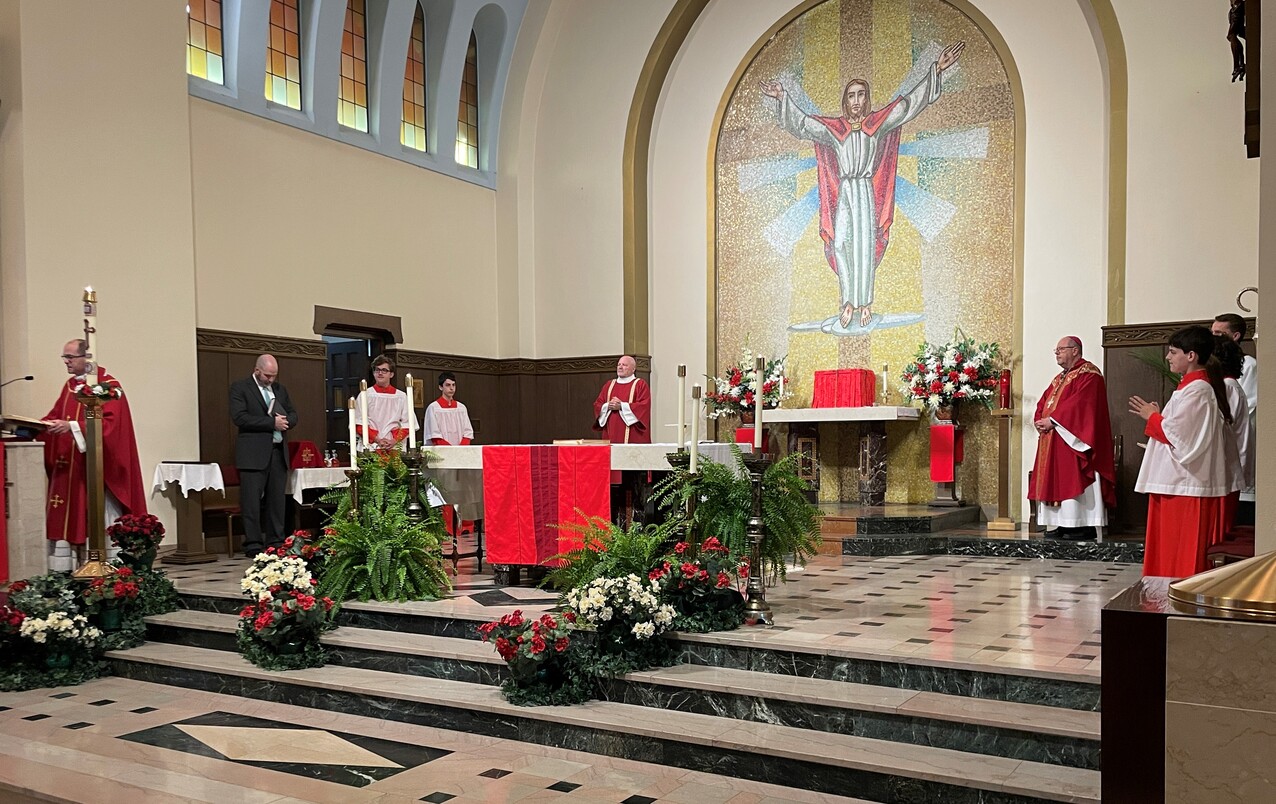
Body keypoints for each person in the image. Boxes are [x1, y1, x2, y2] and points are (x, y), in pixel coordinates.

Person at [760, 42, 964, 329]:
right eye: (851, 96)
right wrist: (783, 98)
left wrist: (937, 69)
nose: (856, 101)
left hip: (866, 191)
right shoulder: (835, 129)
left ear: (867, 100)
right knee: (842, 244)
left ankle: (865, 304)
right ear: (846, 101)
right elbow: (804, 125)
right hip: (845, 190)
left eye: (861, 95)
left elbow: (907, 106)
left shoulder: (877, 123)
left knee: (864, 247)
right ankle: (847, 302)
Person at [1130, 326, 1237, 578]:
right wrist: (1159, 416)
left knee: (1180, 551)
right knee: (1167, 548)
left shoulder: (1198, 390)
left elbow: (1182, 438)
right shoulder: (1188, 388)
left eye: (1173, 352)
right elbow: (1180, 428)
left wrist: (1153, 417)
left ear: (1191, 356)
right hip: (1174, 483)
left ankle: (1173, 595)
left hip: (1185, 483)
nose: (1168, 357)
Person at [39, 339, 147, 547]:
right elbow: (55, 415)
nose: (66, 362)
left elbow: (111, 426)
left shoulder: (108, 387)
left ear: (87, 357)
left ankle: (105, 563)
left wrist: (72, 427)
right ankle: (67, 568)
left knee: (97, 518)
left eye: (70, 357)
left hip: (96, 469)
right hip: (70, 466)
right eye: (65, 357)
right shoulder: (70, 386)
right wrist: (35, 427)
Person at [1028, 336, 1116, 541]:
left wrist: (1054, 421)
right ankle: (1061, 524)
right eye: (1056, 349)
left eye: (1061, 349)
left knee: (1073, 478)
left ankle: (1081, 526)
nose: (1057, 353)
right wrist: (1040, 419)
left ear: (1075, 350)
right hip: (1054, 439)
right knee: (1056, 480)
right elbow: (1045, 400)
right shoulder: (1059, 378)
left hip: (1074, 440)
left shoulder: (1089, 375)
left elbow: (1081, 405)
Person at [229, 354, 298, 556]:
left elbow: (293, 413)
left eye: (273, 376)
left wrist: (287, 421)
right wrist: (271, 424)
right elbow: (240, 417)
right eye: (267, 375)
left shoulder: (279, 389)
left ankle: (276, 542)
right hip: (252, 454)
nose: (270, 380)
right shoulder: (240, 388)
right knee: (251, 502)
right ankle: (253, 544)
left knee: (277, 501)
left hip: (277, 452)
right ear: (257, 370)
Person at [1211, 312, 1256, 519]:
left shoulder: (1247, 366)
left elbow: (1247, 404)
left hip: (1236, 443)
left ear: (1236, 335)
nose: (1214, 338)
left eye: (1219, 333)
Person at [355, 354, 417, 449]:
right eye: (377, 370)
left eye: (384, 370)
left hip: (394, 446)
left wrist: (394, 441)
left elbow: (408, 424)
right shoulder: (365, 395)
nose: (380, 373)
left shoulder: (401, 396)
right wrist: (378, 440)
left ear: (391, 374)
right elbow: (359, 424)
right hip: (372, 446)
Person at [593, 355, 651, 445]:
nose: (620, 367)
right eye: (619, 364)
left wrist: (621, 406)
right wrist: (607, 406)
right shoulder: (609, 385)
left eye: (624, 365)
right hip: (611, 432)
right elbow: (598, 404)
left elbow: (643, 407)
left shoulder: (640, 385)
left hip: (633, 434)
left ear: (633, 369)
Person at [423, 371, 473, 446]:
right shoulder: (433, 408)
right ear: (440, 387)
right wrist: (450, 450)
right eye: (448, 385)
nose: (451, 388)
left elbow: (467, 432)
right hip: (442, 450)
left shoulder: (461, 408)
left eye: (453, 385)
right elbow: (434, 434)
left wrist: (461, 448)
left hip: (460, 451)